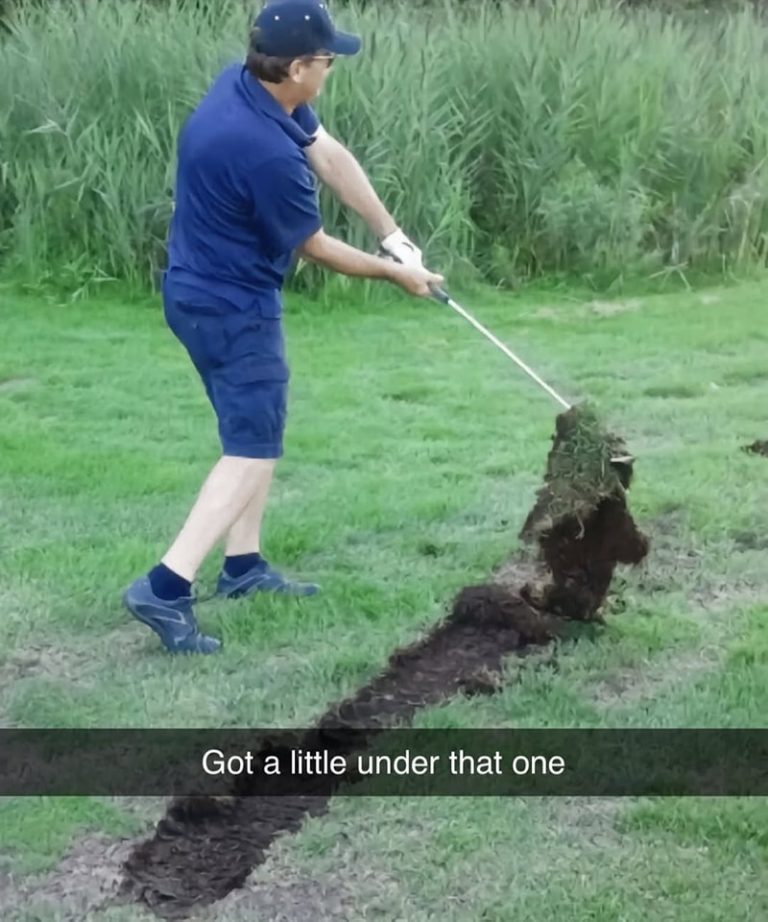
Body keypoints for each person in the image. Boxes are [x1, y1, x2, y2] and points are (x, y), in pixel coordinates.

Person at [123, 0, 444, 654]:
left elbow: (330, 153)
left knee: (255, 433)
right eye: (327, 60)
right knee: (251, 449)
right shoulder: (263, 151)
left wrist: (394, 237)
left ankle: (243, 567)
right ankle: (165, 585)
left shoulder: (247, 86)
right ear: (298, 67)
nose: (331, 67)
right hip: (229, 306)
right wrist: (396, 276)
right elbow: (316, 246)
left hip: (204, 292)